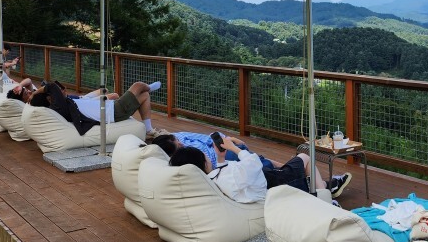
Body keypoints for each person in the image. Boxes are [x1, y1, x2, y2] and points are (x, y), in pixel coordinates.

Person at [152, 132, 351, 197]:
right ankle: (325, 195)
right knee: (305, 157)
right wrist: (235, 149)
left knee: (301, 170)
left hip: (264, 179)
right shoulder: (229, 176)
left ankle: (324, 186)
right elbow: (253, 164)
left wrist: (221, 157)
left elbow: (222, 170)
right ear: (203, 163)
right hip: (271, 181)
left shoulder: (213, 177)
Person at [29, 80, 161, 136]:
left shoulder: (60, 106)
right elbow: (51, 86)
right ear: (48, 99)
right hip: (112, 112)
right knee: (138, 86)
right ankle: (149, 87)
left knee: (144, 95)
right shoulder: (57, 107)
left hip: (111, 107)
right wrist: (35, 93)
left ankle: (148, 129)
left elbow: (52, 88)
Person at [169, 145, 267, 204]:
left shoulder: (206, 181)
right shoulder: (226, 177)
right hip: (262, 195)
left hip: (247, 188)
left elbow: (223, 175)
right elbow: (254, 164)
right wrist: (233, 147)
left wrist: (221, 158)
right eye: (205, 156)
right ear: (205, 163)